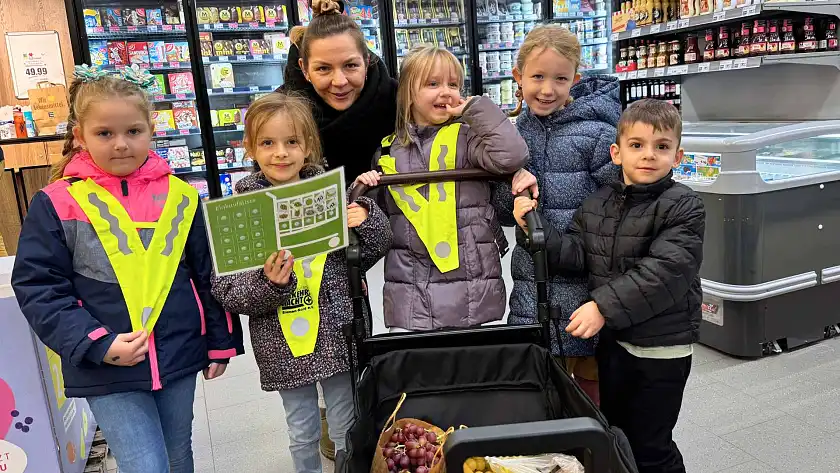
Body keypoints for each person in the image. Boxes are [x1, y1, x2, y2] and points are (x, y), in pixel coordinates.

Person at [11, 65, 243, 473]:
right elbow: (39, 287)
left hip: (178, 354)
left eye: (133, 131)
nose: (121, 144)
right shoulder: (56, 203)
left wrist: (220, 341)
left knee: (178, 456)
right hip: (104, 365)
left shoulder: (182, 196)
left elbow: (208, 273)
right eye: (105, 134)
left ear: (152, 130)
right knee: (145, 465)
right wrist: (98, 343)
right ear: (79, 135)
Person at [513, 99, 705, 473]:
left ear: (678, 155)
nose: (648, 155)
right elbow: (575, 254)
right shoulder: (598, 203)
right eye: (637, 145)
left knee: (652, 445)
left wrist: (601, 306)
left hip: (660, 350)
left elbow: (665, 271)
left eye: (661, 147)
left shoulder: (684, 205)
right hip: (615, 346)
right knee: (617, 434)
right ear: (616, 153)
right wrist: (533, 230)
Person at [211, 92, 391, 473]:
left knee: (346, 423)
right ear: (250, 148)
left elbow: (372, 250)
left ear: (308, 146)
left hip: (337, 331)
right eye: (268, 143)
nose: (281, 153)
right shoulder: (240, 213)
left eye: (292, 141)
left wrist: (366, 218)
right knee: (302, 427)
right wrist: (269, 285)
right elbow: (227, 290)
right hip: (282, 343)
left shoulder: (331, 196)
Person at [355, 46, 529, 332]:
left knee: (472, 364)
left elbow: (511, 155)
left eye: (453, 84)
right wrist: (365, 194)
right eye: (432, 84)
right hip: (410, 285)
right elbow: (381, 220)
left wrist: (474, 110)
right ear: (409, 93)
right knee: (421, 366)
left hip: (471, 281)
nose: (445, 91)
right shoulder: (388, 150)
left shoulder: (468, 138)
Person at [496, 24, 621, 406]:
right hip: (531, 275)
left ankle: (587, 435)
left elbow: (620, 200)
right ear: (518, 77)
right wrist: (510, 199)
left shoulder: (598, 134)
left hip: (584, 273)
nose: (547, 89)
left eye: (560, 79)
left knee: (587, 363)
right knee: (538, 364)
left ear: (575, 80)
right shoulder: (513, 134)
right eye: (537, 77)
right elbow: (501, 208)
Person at [280, 0, 398, 186]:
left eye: (351, 65)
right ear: (304, 69)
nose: (340, 82)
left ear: (366, 62)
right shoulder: (280, 114)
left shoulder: (398, 99)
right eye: (323, 69)